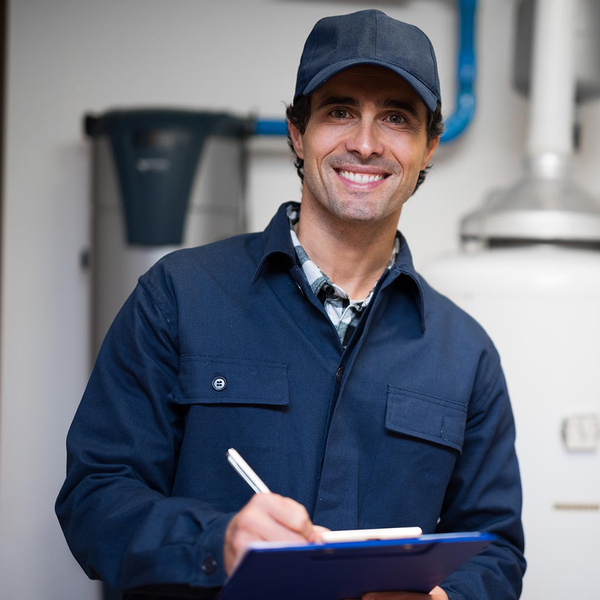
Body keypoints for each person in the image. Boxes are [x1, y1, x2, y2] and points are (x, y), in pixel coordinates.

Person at [56, 9, 525, 600]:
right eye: (339, 110)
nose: (364, 142)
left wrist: (450, 599)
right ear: (298, 132)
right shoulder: (178, 295)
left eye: (397, 118)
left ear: (429, 147)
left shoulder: (466, 353)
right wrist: (217, 543)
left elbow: (497, 549)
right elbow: (94, 496)